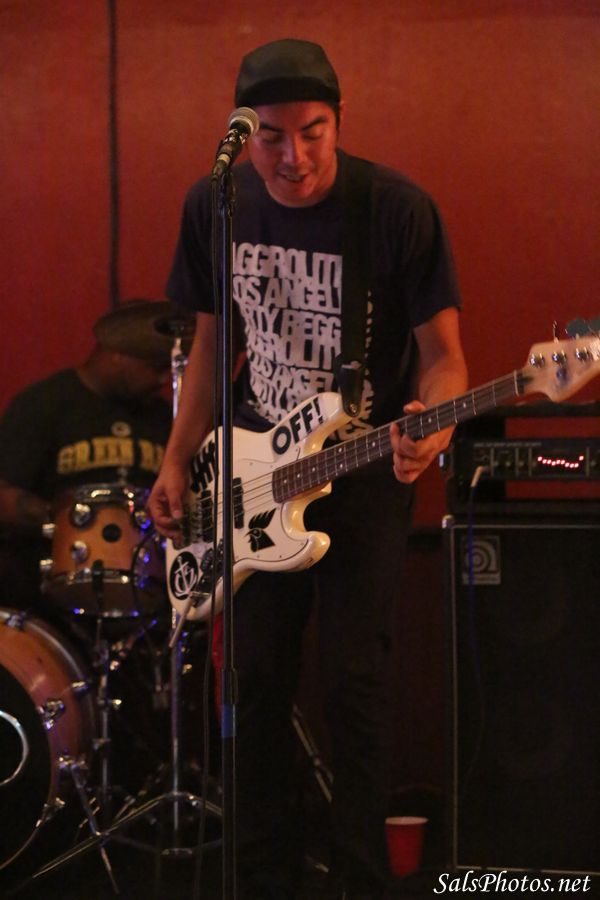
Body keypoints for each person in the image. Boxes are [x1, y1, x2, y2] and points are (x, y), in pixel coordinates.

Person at [148, 39, 468, 899]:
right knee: (254, 686)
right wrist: (176, 459)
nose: (294, 156)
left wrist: (431, 424)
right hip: (252, 480)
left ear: (339, 121)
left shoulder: (395, 209)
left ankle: (361, 879)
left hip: (363, 472)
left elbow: (445, 360)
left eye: (314, 132)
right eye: (272, 137)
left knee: (357, 682)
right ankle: (264, 877)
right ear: (243, 133)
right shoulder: (215, 205)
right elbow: (211, 344)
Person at [0, 299, 181, 611]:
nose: (163, 380)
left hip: (150, 587)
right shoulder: (44, 404)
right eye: (155, 367)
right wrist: (69, 519)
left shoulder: (165, 418)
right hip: (50, 586)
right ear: (117, 353)